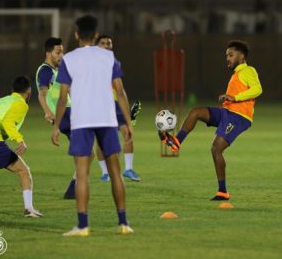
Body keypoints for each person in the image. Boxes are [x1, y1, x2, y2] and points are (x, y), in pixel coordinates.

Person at [52, 15, 134, 236]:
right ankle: (123, 223)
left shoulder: (68, 59)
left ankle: (83, 226)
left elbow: (62, 98)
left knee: (82, 173)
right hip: (107, 120)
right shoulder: (109, 57)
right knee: (116, 172)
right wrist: (127, 122)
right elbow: (120, 91)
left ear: (77, 34)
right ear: (97, 35)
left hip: (82, 121)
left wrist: (56, 126)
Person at [159, 40, 262, 201]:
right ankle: (176, 142)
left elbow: (257, 89)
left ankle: (222, 192)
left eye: (231, 55)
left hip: (239, 117)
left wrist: (234, 97)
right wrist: (230, 100)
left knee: (216, 149)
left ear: (241, 56)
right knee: (195, 112)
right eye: (226, 55)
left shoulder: (248, 70)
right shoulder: (236, 75)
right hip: (226, 112)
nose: (227, 58)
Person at [0, 76, 42, 217]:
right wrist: (20, 140)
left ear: (12, 90)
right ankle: (29, 209)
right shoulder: (20, 103)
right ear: (28, 91)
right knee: (24, 171)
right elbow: (7, 123)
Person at [35, 37, 76, 199]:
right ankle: (74, 190)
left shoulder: (61, 69)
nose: (61, 55)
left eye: (62, 52)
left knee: (87, 153)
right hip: (63, 115)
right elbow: (42, 94)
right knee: (85, 151)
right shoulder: (45, 70)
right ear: (48, 53)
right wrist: (47, 112)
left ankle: (72, 191)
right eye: (58, 52)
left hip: (71, 112)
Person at [96, 35, 141, 182]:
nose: (106, 45)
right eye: (103, 43)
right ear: (97, 46)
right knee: (101, 141)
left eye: (109, 43)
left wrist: (127, 113)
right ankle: (105, 173)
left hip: (116, 104)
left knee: (127, 133)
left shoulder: (114, 62)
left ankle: (128, 169)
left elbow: (120, 90)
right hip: (101, 105)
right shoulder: (93, 63)